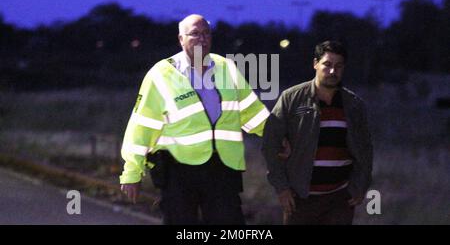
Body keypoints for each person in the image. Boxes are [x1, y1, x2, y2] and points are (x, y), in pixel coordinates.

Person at [120, 14, 269, 225]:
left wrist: (278, 136)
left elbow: (251, 112)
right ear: (181, 39)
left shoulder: (227, 68)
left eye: (206, 33)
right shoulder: (161, 74)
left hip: (222, 167)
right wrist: (132, 172)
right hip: (178, 171)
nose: (202, 38)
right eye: (195, 34)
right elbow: (143, 126)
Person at [262, 40, 373, 225]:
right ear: (315, 64)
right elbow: (270, 143)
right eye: (327, 65)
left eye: (338, 66)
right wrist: (282, 188)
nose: (332, 71)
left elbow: (365, 149)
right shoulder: (292, 98)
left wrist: (360, 186)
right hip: (301, 198)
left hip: (340, 199)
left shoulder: (354, 105)